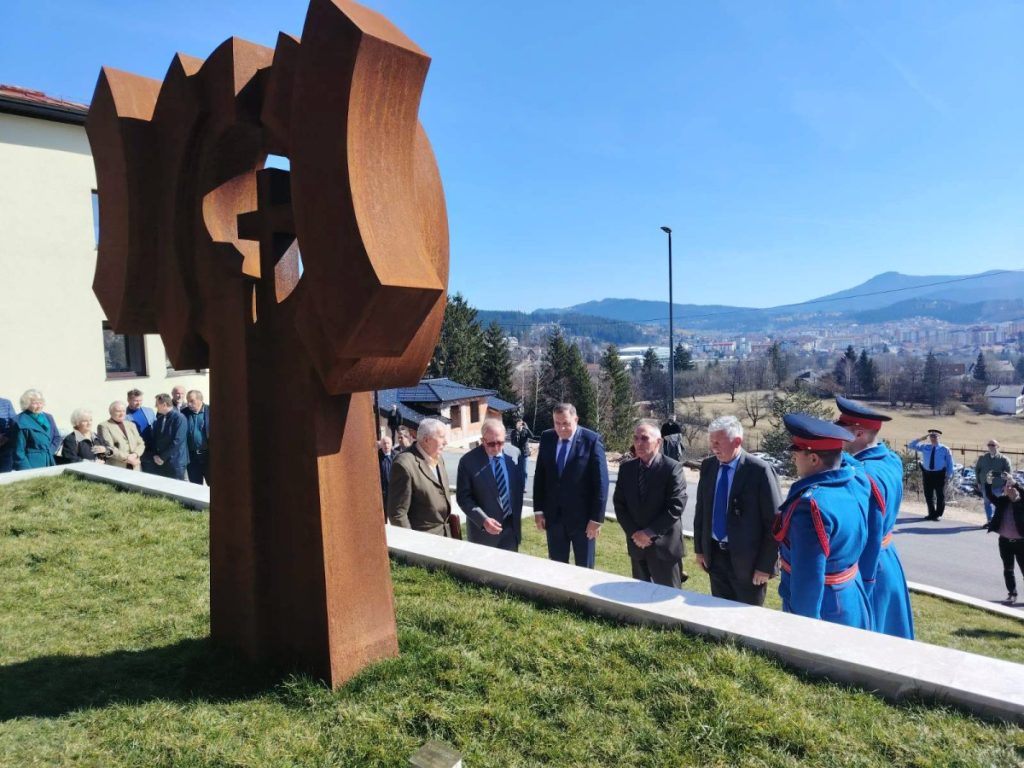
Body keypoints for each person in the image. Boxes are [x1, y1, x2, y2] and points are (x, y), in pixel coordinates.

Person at [773, 413, 871, 630]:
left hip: (824, 608)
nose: (793, 458)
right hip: (850, 593)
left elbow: (808, 578)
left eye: (796, 453)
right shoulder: (857, 482)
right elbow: (843, 459)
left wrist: (802, 627)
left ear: (814, 459)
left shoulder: (810, 506)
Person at [835, 396, 914, 639]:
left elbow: (867, 533)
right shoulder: (890, 459)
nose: (836, 436)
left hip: (870, 566)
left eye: (841, 431)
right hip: (887, 557)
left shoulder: (861, 476)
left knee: (872, 639)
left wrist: (865, 582)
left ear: (858, 434)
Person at [693, 415, 781, 606]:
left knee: (746, 619)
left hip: (749, 564)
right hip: (715, 557)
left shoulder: (759, 471)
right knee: (719, 610)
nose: (713, 447)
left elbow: (775, 524)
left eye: (718, 442)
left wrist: (765, 566)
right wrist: (700, 550)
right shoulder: (708, 467)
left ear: (737, 441)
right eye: (711, 441)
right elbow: (702, 511)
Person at [533, 403, 609, 568]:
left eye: (566, 423)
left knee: (585, 567)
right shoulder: (547, 438)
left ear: (576, 419)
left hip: (583, 520)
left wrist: (596, 519)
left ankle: (581, 595)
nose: (561, 428)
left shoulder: (592, 440)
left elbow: (601, 483)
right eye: (557, 423)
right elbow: (540, 476)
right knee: (557, 566)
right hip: (554, 518)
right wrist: (538, 511)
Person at [612, 420, 688, 588]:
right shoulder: (627, 469)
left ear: (659, 442)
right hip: (637, 546)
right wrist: (635, 534)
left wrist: (649, 533)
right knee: (640, 595)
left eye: (645, 438)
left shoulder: (672, 468)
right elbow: (620, 504)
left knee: (668, 600)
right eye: (636, 438)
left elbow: (676, 505)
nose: (638, 443)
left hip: (664, 548)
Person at [456, 418, 524, 551]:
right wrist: (483, 520)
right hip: (483, 534)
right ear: (482, 441)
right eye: (491, 444)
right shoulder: (468, 462)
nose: (497, 448)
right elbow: (463, 498)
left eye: (500, 442)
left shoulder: (515, 454)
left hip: (511, 529)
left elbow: (518, 488)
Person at [387, 419, 455, 535]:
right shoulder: (404, 464)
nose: (446, 442)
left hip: (446, 537)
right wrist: (412, 547)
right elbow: (398, 515)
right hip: (424, 542)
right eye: (441, 437)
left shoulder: (437, 457)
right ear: (427, 440)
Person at [984, 480, 1024, 604]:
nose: (1009, 489)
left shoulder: (1022, 502)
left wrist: (1015, 484)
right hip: (1004, 542)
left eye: (1012, 487)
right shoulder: (1002, 501)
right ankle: (1012, 593)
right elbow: (990, 496)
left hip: (1021, 543)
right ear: (1004, 489)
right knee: (1008, 569)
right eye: (1007, 487)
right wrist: (988, 482)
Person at [906, 430, 954, 520]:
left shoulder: (945, 449)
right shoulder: (925, 447)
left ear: (939, 437)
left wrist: (949, 475)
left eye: (935, 436)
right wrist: (920, 439)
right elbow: (910, 445)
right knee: (928, 494)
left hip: (939, 474)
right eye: (931, 436)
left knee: (940, 495)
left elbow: (949, 463)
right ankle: (931, 513)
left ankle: (938, 513)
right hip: (927, 474)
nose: (933, 438)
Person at [13, 389, 58, 470]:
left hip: (49, 461)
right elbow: (18, 452)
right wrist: (27, 471)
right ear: (26, 404)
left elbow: (57, 437)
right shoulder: (20, 421)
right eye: (35, 403)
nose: (39, 406)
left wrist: (49, 451)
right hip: (32, 464)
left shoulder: (47, 417)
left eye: (41, 403)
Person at [97, 400, 145, 470]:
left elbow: (141, 443)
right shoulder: (104, 426)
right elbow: (109, 447)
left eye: (123, 411)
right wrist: (128, 458)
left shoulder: (131, 425)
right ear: (110, 412)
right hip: (118, 466)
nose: (122, 413)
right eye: (118, 411)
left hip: (135, 466)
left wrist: (135, 455)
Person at [151, 393, 189, 480]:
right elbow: (156, 438)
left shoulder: (179, 418)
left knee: (177, 489)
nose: (155, 406)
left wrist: (162, 457)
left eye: (157, 404)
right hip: (162, 461)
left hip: (176, 461)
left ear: (164, 404)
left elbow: (178, 441)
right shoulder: (160, 419)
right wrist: (156, 455)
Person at [976, 440, 1013, 524]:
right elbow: (977, 470)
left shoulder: (1004, 459)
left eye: (993, 445)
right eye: (989, 445)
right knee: (987, 503)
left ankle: (997, 521)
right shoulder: (982, 458)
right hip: (985, 485)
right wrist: (978, 482)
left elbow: (1009, 473)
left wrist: (1006, 485)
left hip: (998, 486)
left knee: (998, 504)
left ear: (997, 446)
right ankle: (989, 521)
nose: (990, 447)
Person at [126, 388, 157, 471]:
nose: (138, 403)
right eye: (136, 400)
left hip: (150, 450)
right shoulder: (124, 415)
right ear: (128, 400)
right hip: (136, 451)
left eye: (140, 400)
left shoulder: (149, 411)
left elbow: (156, 428)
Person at [184, 390, 211, 485]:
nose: (189, 404)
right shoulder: (184, 413)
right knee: (195, 487)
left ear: (200, 400)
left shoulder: (211, 411)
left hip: (209, 456)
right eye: (187, 401)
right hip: (192, 458)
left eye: (192, 401)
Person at [508, 419, 534, 491]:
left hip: (524, 454)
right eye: (517, 423)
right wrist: (517, 433)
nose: (519, 425)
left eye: (520, 423)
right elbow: (513, 443)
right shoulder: (514, 432)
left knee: (524, 471)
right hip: (516, 454)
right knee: (516, 470)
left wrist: (527, 428)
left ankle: (524, 486)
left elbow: (532, 436)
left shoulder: (525, 431)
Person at [378, 435, 395, 515]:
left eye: (388, 443)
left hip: (394, 490)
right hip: (383, 491)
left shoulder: (397, 456)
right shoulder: (377, 457)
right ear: (381, 445)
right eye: (384, 443)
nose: (386, 446)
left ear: (391, 444)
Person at [0, 395, 17, 473]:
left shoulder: (6, 403)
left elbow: (14, 424)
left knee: (5, 476)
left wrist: (6, 437)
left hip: (5, 447)